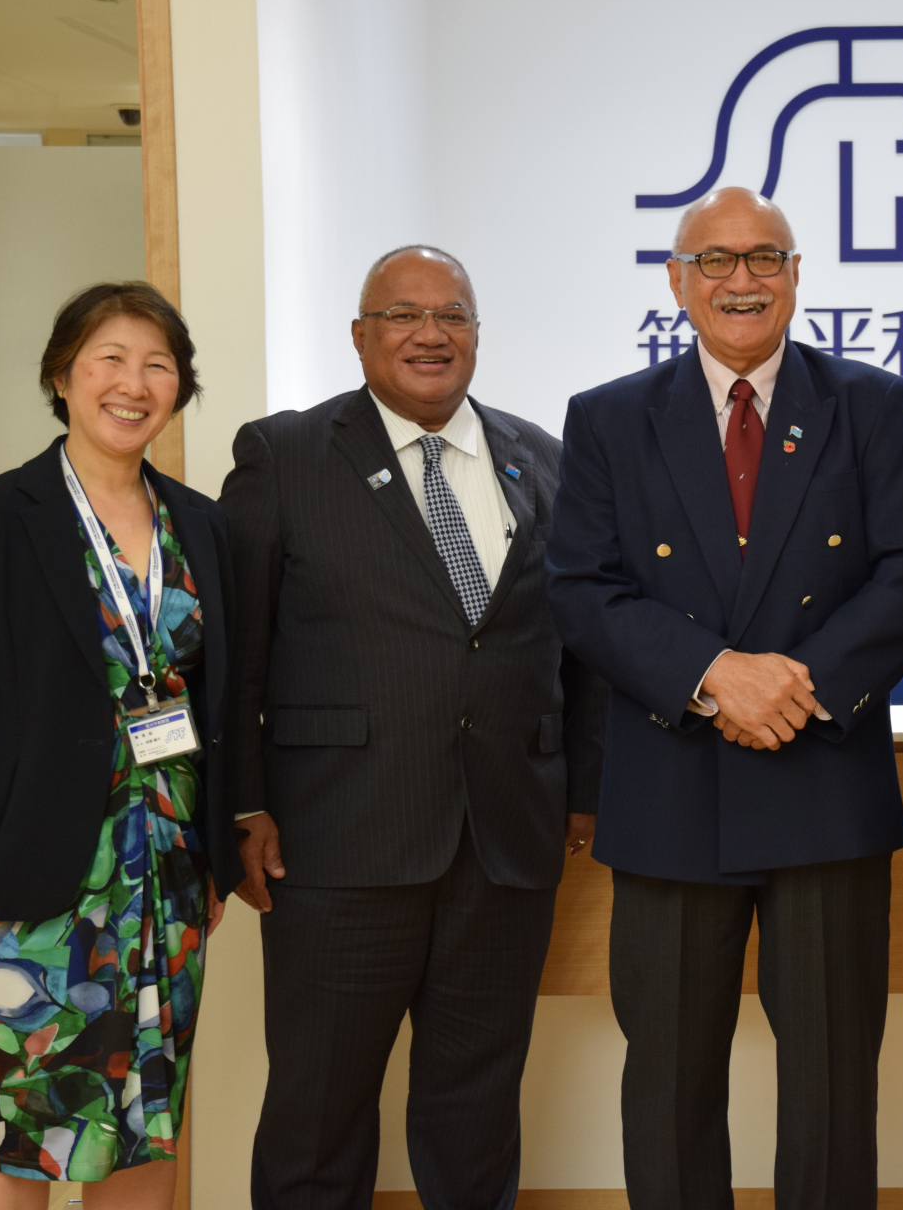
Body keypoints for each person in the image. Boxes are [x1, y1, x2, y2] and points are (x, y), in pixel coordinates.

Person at [545, 187, 903, 1209]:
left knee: (830, 1080)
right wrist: (714, 673)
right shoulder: (607, 418)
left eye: (765, 256)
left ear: (798, 274)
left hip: (821, 780)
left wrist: (796, 681)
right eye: (716, 259)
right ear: (678, 282)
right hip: (670, 786)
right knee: (671, 1078)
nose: (743, 278)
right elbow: (582, 590)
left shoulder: (866, 400)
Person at [219, 245, 606, 1210]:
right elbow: (234, 653)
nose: (430, 334)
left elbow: (581, 648)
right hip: (337, 840)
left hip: (505, 841)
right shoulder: (286, 456)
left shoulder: (544, 460)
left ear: (478, 334)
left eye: (453, 316)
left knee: (475, 1110)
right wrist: (241, 802)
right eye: (402, 315)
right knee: (319, 1111)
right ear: (360, 336)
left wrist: (584, 791)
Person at [0, 282, 235, 1209]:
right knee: (21, 1120)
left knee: (145, 1113)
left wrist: (219, 850)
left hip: (165, 867)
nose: (134, 382)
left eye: (157, 364)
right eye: (108, 360)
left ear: (179, 387)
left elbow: (223, 697)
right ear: (62, 377)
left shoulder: (201, 526)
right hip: (35, 871)